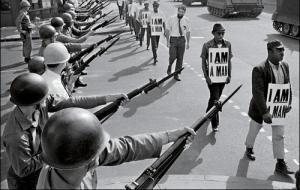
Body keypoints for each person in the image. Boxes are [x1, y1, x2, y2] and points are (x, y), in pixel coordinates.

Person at [2, 73, 127, 190]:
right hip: (27, 183)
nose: (46, 100)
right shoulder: (16, 136)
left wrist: (108, 99)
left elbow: (71, 102)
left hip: (44, 168)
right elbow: (23, 170)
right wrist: (52, 152)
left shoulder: (40, 104)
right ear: (35, 102)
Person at [36, 107, 196, 189]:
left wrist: (169, 137)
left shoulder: (69, 157)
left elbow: (125, 147)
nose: (104, 151)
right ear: (90, 160)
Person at [244, 40, 294, 175]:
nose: (282, 53)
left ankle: (280, 163)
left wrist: (288, 102)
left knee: (279, 135)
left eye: (283, 50)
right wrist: (265, 112)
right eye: (279, 50)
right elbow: (257, 92)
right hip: (261, 108)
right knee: (254, 129)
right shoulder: (259, 69)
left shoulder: (285, 66)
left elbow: (287, 85)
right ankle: (249, 147)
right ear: (270, 51)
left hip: (278, 108)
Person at [200, 23, 232, 132]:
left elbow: (228, 61)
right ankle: (215, 124)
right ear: (213, 33)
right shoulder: (207, 45)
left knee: (214, 97)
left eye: (223, 33)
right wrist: (206, 77)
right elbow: (203, 62)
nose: (221, 35)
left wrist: (229, 75)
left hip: (222, 77)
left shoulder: (228, 44)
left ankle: (207, 114)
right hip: (212, 77)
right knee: (216, 100)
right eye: (219, 33)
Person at [166, 5, 190, 80]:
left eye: (182, 12)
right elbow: (167, 30)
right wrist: (167, 41)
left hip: (182, 40)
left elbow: (188, 32)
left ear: (184, 13)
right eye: (179, 11)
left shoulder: (186, 20)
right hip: (173, 39)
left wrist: (188, 43)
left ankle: (176, 74)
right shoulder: (171, 19)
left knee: (180, 58)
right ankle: (170, 66)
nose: (180, 13)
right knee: (172, 56)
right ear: (177, 11)